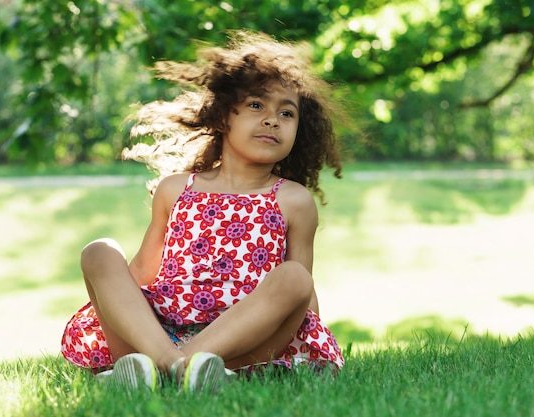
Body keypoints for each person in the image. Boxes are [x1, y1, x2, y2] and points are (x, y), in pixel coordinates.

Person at [60, 31, 345, 393]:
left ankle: (168, 371)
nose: (273, 120)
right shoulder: (176, 189)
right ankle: (178, 366)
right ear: (224, 115)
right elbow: (142, 274)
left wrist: (311, 345)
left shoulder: (293, 199)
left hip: (242, 344)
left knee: (296, 278)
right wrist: (114, 296)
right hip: (160, 332)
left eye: (286, 113)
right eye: (257, 105)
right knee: (99, 251)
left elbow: (301, 298)